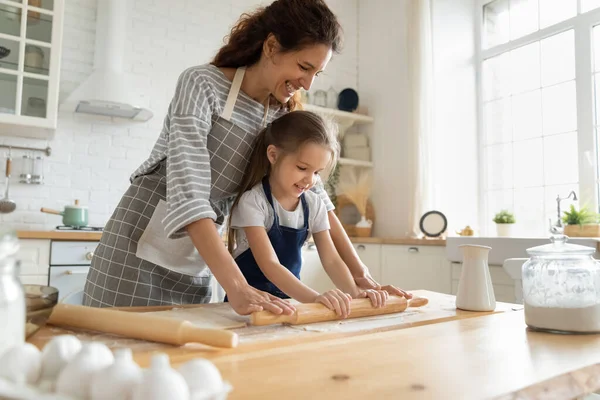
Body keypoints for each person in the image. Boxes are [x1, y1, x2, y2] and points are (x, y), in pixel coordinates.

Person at [83, 0, 411, 315]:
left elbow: (318, 200)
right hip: (138, 244)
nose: (307, 83)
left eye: (317, 74)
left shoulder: (282, 114)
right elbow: (189, 191)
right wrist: (237, 286)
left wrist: (363, 279)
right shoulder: (202, 84)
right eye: (304, 66)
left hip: (201, 255)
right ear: (271, 47)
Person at [227, 110, 389, 317]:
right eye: (302, 168)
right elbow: (269, 265)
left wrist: (355, 293)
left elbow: (331, 259)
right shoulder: (253, 202)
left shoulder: (314, 205)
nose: (310, 180)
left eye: (317, 172)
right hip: (249, 308)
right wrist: (314, 298)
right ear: (273, 155)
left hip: (291, 307)